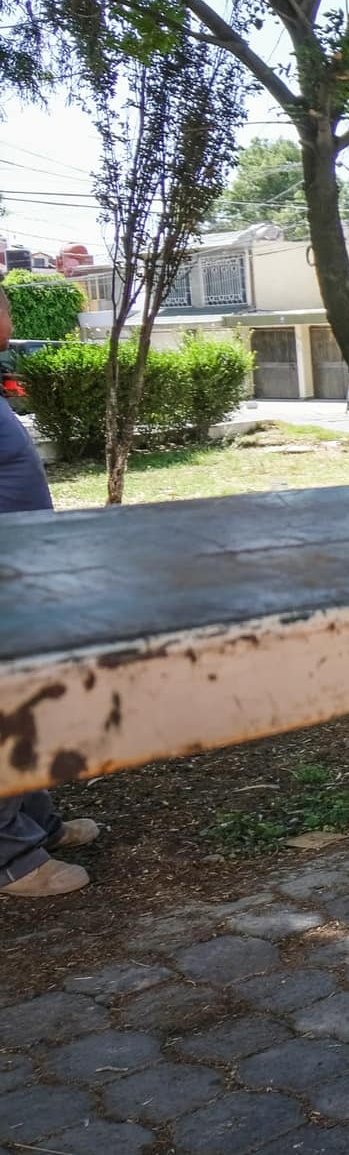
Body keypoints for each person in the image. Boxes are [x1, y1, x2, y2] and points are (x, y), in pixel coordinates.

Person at [0, 287, 99, 898]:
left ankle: (36, 825)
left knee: (23, 705)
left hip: (18, 579)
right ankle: (12, 859)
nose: (9, 315)